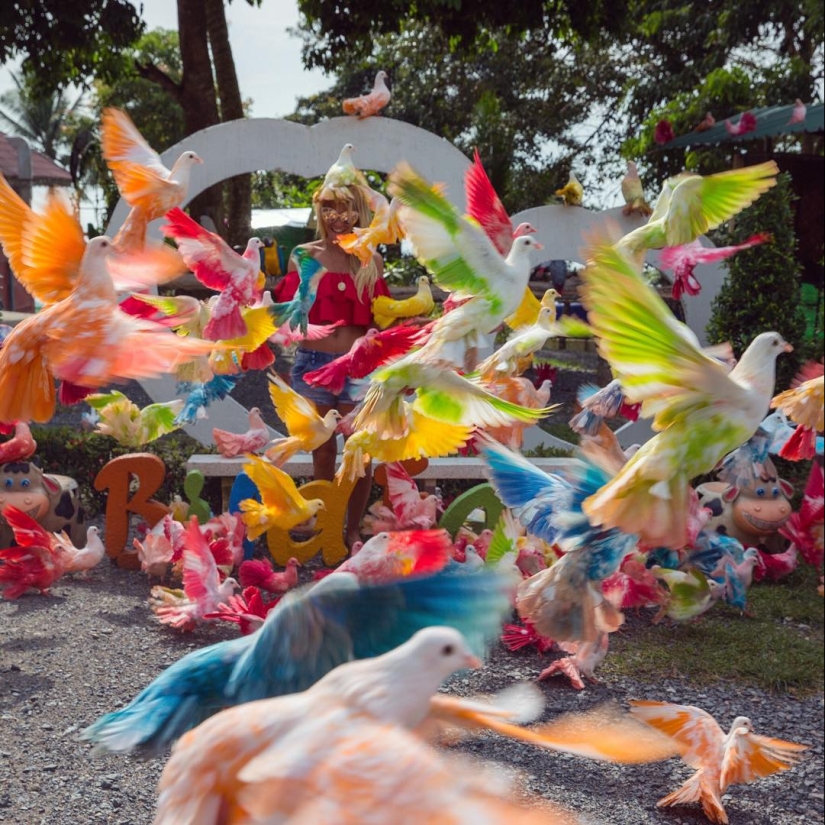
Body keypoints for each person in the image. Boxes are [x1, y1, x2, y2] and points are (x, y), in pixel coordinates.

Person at [273, 183, 391, 550]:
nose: (336, 216)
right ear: (319, 212)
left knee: (359, 452)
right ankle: (327, 528)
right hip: (312, 364)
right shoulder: (302, 254)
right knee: (322, 450)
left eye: (345, 207)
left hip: (358, 368)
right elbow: (287, 317)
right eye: (328, 208)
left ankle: (352, 531)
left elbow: (382, 320)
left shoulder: (370, 258)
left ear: (359, 211)